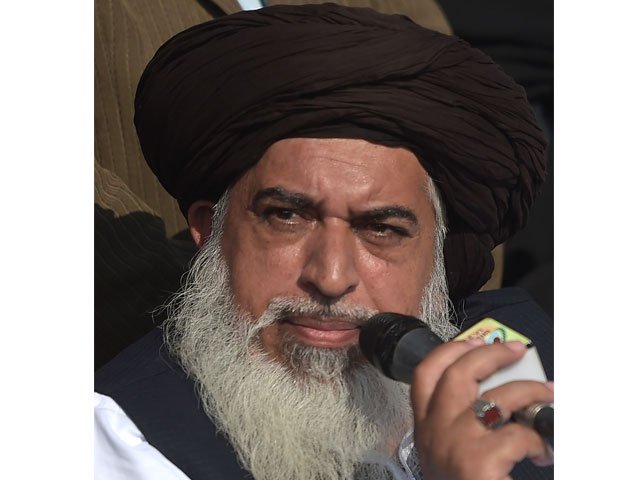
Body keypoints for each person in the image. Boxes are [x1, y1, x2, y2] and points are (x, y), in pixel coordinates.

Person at [95, 4, 553, 480]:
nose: (331, 277)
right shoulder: (124, 442)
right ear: (210, 229)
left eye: (382, 230)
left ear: (436, 252)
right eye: (287, 217)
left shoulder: (537, 368)